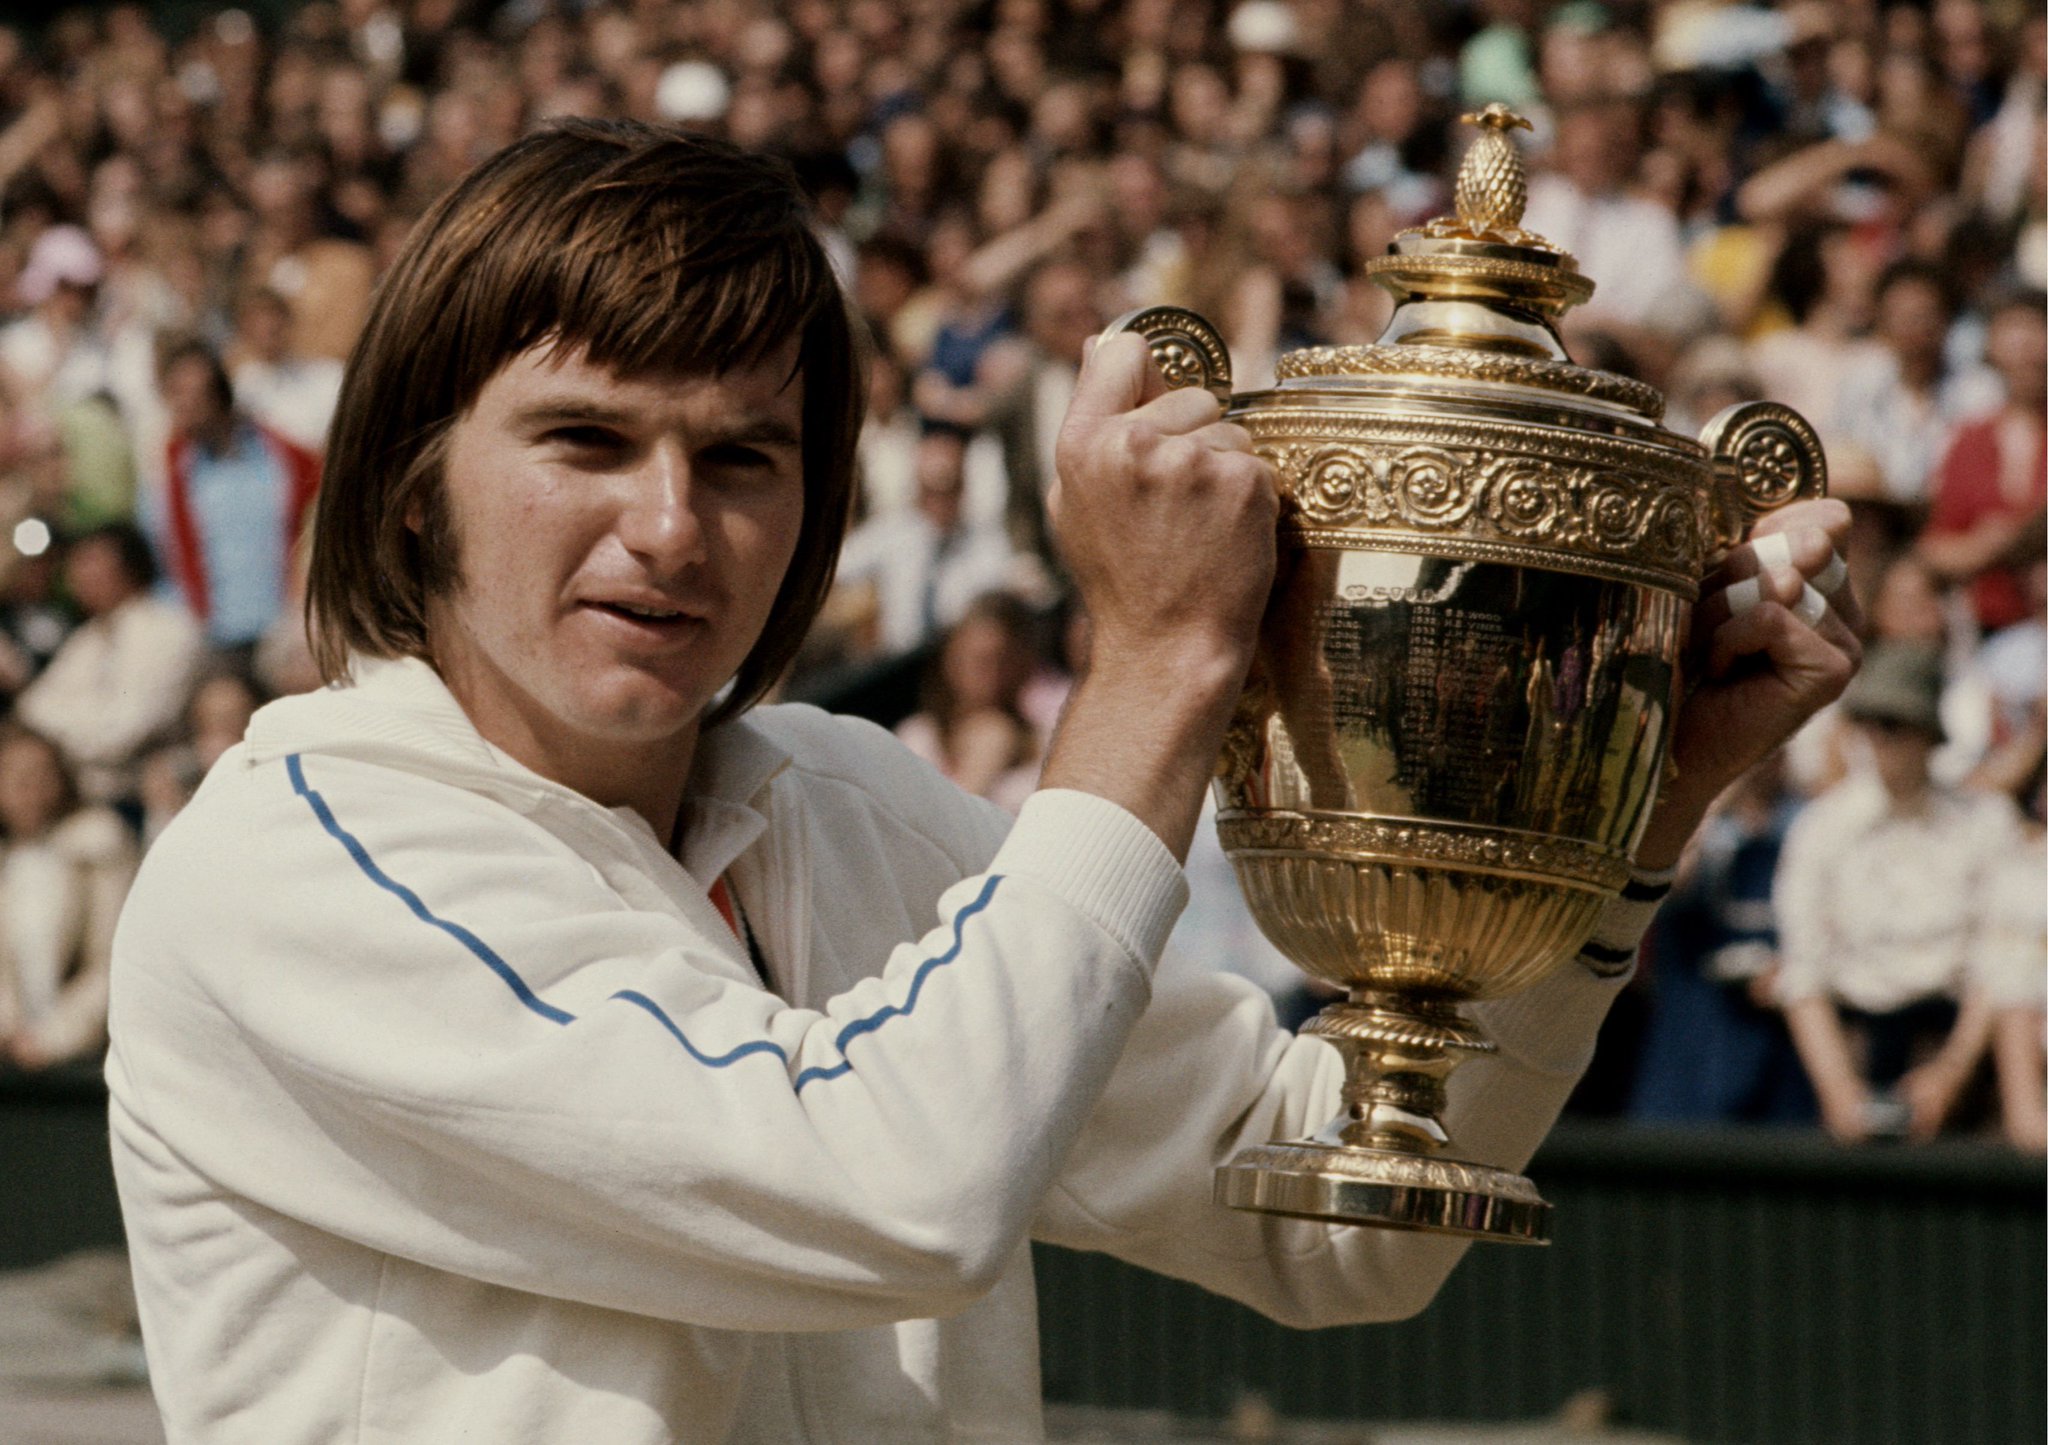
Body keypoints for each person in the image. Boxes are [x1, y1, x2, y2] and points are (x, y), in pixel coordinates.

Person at [106, 121, 1860, 1443]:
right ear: (412, 487)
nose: (667, 527)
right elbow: (893, 1190)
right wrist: (1159, 664)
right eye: (583, 439)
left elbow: (1335, 1223)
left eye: (739, 458)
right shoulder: (293, 865)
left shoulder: (839, 798)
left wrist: (1624, 829)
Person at [1775, 642, 2017, 1143]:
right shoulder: (1822, 828)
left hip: (1957, 1052)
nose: (1881, 738)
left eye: (1897, 723)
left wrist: (1951, 1074)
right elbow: (1803, 973)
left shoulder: (1985, 824)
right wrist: (1840, 1091)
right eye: (1872, 722)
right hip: (1851, 1049)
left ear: (1929, 733)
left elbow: (2000, 962)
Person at [15, 523, 203, 806]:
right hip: (86, 796)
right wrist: (90, 717)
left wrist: (65, 725)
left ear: (130, 567)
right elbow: (31, 710)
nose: (76, 574)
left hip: (150, 797)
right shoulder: (86, 637)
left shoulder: (170, 629)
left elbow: (123, 733)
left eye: (90, 561)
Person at [157, 337, 322, 660]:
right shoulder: (173, 469)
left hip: (285, 632)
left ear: (219, 395)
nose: (183, 406)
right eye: (174, 394)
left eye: (192, 394)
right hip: (215, 633)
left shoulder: (281, 456)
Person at [0, 725, 136, 1071]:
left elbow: (113, 961)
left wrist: (54, 1038)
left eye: (42, 774)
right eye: (15, 775)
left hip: (83, 1061)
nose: (29, 788)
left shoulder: (97, 846)